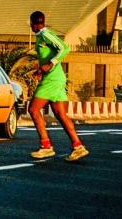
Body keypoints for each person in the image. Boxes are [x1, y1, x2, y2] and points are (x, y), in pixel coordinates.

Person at [28, 10, 89, 161]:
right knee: (60, 114)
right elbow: (50, 54)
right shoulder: (42, 36)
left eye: (31, 24)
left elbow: (64, 48)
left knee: (33, 109)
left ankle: (46, 146)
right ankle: (78, 146)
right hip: (55, 77)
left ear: (33, 24)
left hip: (53, 79)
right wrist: (41, 69)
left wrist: (50, 65)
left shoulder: (45, 34)